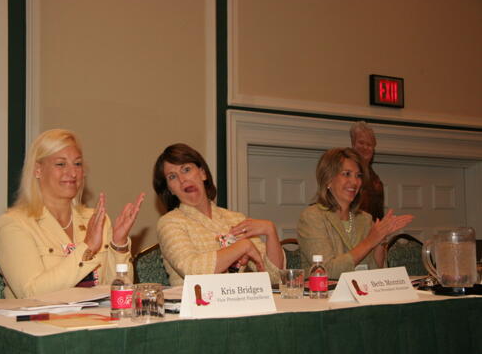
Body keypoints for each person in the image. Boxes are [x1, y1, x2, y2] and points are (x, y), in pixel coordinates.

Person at [0, 129, 145, 298]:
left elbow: (118, 294)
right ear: (38, 170)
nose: (73, 173)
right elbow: (31, 293)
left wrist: (119, 245)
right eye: (61, 164)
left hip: (94, 321)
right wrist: (86, 248)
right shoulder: (14, 224)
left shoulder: (96, 220)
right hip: (41, 321)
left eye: (77, 164)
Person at [153, 143, 284, 286]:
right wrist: (242, 247)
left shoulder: (236, 219)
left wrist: (270, 231)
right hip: (195, 305)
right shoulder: (169, 223)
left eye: (186, 169)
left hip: (238, 303)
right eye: (172, 177)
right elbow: (193, 271)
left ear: (202, 173)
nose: (182, 179)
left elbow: (274, 278)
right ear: (170, 189)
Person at [296, 147, 413, 279]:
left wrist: (380, 239)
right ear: (328, 179)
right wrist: (370, 241)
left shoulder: (365, 219)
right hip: (324, 296)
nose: (354, 182)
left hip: (364, 294)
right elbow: (327, 270)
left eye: (358, 176)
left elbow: (377, 270)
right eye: (346, 174)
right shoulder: (312, 217)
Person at [350, 121, 384, 221]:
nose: (365, 147)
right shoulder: (343, 172)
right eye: (361, 142)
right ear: (353, 143)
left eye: (369, 145)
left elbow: (378, 217)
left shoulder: (376, 181)